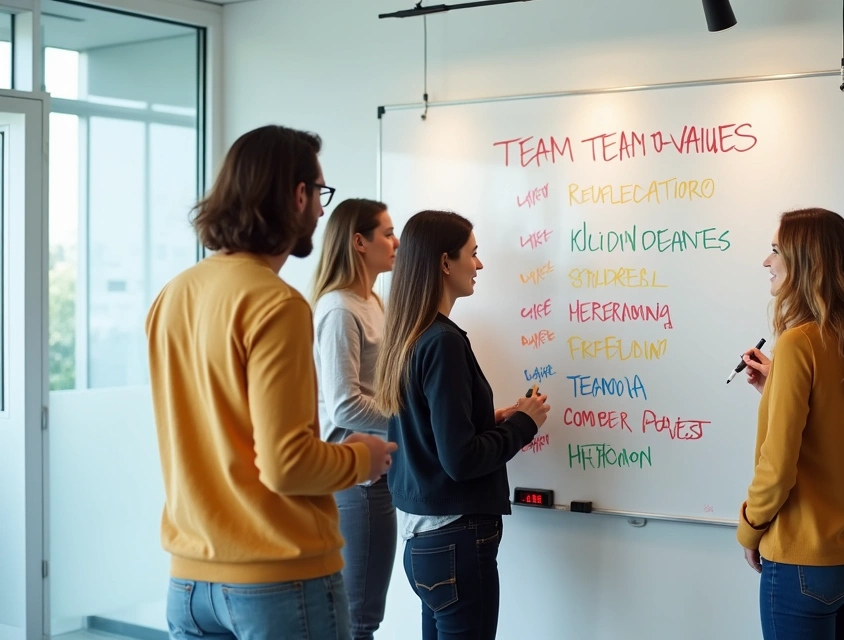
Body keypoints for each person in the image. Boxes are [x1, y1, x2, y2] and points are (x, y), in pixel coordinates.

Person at [147, 125, 397, 640]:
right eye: (320, 194)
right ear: (298, 195)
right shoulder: (276, 303)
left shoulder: (173, 295)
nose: (323, 211)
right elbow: (287, 466)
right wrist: (363, 458)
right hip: (278, 578)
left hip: (190, 581)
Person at [373, 209, 550, 640]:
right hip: (456, 542)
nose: (480, 265)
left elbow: (428, 433)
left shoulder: (409, 336)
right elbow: (460, 460)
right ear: (444, 262)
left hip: (423, 542)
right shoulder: (444, 342)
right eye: (473, 254)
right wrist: (524, 424)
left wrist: (490, 419)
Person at [737, 208, 844, 639]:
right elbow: (833, 428)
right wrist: (776, 385)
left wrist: (750, 529)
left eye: (775, 251)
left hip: (806, 563)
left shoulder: (797, 343)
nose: (767, 262)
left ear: (805, 261)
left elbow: (778, 465)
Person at [311, 198, 401, 639]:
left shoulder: (373, 303)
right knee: (359, 619)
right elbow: (344, 404)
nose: (396, 241)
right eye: (387, 232)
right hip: (356, 482)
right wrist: (409, 419)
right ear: (359, 242)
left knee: (365, 617)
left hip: (376, 475)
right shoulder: (339, 308)